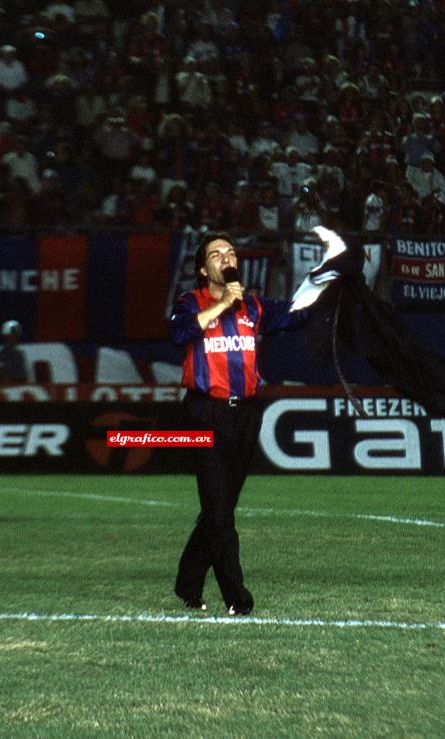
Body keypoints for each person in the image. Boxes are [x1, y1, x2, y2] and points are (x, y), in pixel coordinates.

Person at [169, 232, 306, 616]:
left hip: (244, 414)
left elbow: (296, 314)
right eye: (216, 254)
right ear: (203, 268)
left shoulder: (254, 307)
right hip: (205, 413)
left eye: (231, 252)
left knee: (220, 506)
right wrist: (223, 303)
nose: (226, 258)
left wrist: (328, 287)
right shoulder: (190, 303)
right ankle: (237, 599)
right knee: (219, 512)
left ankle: (187, 582)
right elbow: (178, 333)